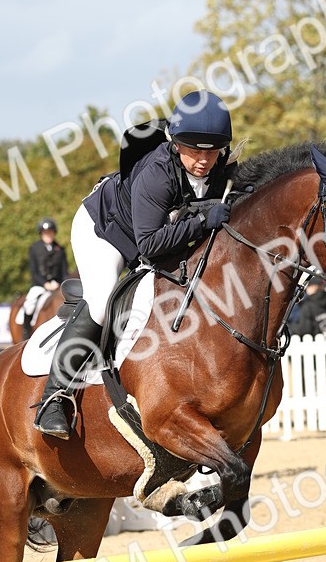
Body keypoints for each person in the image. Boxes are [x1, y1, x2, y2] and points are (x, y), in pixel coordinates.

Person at [34, 90, 233, 438]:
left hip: (149, 235)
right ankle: (53, 398)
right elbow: (150, 244)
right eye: (195, 150)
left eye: (212, 151)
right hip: (106, 230)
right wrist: (202, 222)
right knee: (101, 299)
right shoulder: (158, 174)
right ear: (176, 144)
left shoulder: (218, 168)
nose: (204, 159)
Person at [21, 219, 69, 340]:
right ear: (41, 234)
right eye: (45, 233)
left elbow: (64, 272)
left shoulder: (60, 250)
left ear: (54, 233)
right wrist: (45, 284)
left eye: (50, 232)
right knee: (30, 303)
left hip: (57, 286)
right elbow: (34, 272)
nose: (48, 235)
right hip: (39, 285)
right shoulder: (34, 248)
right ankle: (26, 332)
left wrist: (60, 284)